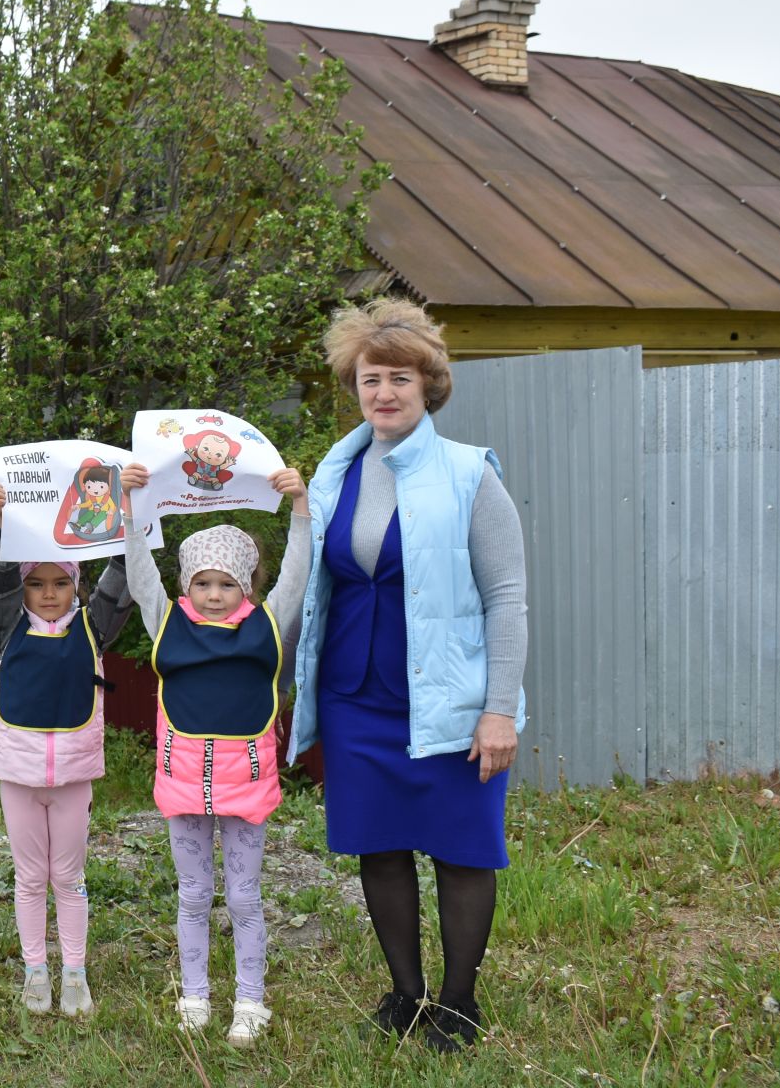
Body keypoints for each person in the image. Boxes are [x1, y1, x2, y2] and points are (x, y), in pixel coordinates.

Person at [286, 298, 528, 1051]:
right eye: (370, 379)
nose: (383, 392)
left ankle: (458, 1005)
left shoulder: (468, 475)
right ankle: (405, 994)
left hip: (451, 704)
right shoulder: (331, 476)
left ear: (429, 387)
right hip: (357, 702)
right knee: (380, 847)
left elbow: (508, 597)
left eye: (398, 378)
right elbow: (305, 587)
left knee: (462, 849)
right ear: (353, 386)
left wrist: (499, 710)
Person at [120, 464, 311, 1047]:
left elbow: (298, 577)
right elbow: (139, 573)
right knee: (194, 894)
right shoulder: (166, 621)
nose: (213, 594)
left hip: (246, 787)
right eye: (202, 583)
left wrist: (300, 508)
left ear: (246, 587)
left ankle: (251, 1001)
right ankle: (196, 994)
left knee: (245, 897)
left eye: (226, 584)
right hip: (182, 786)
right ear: (186, 586)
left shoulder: (268, 624)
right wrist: (129, 506)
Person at [0, 482, 136, 1017]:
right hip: (19, 777)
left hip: (73, 778)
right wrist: (2, 528)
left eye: (60, 583)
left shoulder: (94, 627)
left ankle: (74, 972)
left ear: (75, 586)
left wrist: (127, 521)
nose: (49, 594)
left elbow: (120, 583)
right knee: (29, 878)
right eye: (38, 584)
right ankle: (35, 972)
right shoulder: (6, 629)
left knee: (68, 878)